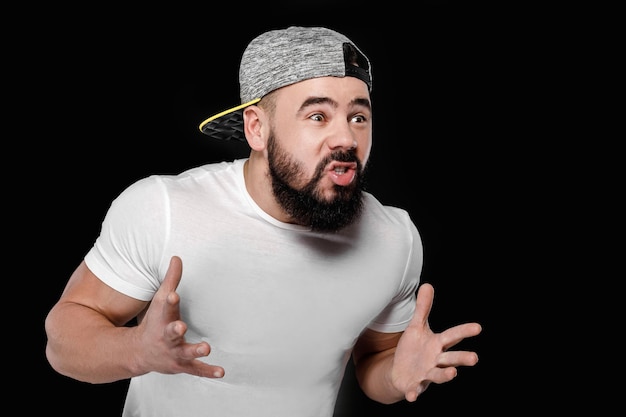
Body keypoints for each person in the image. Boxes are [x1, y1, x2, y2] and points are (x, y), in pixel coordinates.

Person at [44, 26, 482, 417]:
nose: (347, 138)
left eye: (358, 117)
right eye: (318, 116)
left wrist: (398, 378)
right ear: (256, 128)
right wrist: (137, 350)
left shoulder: (394, 240)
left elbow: (376, 364)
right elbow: (64, 341)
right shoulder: (164, 209)